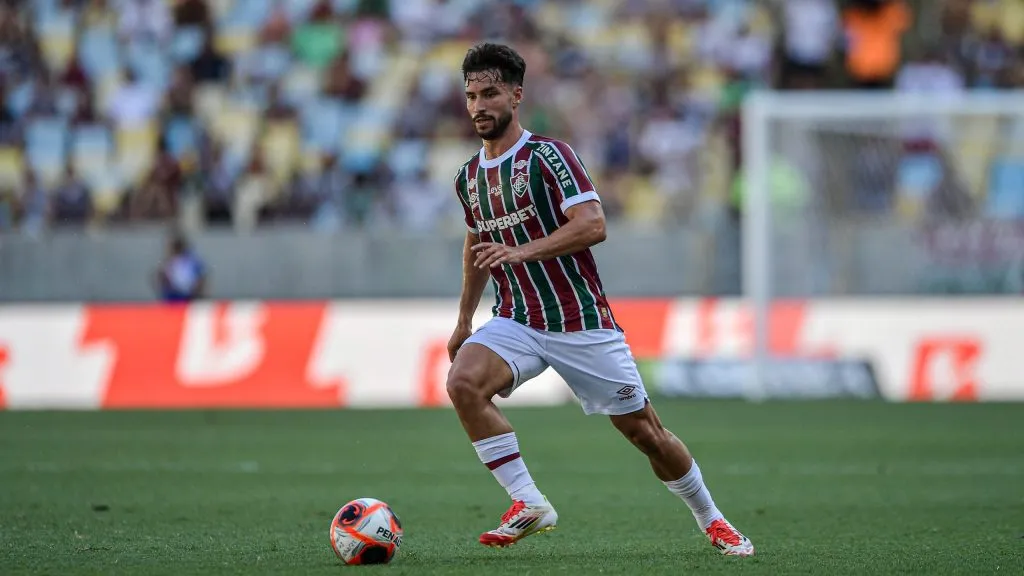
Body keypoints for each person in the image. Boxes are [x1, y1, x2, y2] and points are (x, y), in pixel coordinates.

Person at [445, 42, 755, 556]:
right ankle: (528, 501)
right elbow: (478, 244)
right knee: (463, 384)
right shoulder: (468, 177)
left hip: (580, 321)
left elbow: (593, 225)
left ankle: (713, 519)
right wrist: (463, 320)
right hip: (517, 319)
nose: (479, 105)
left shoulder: (549, 156)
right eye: (472, 95)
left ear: (516, 95)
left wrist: (522, 252)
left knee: (647, 435)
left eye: (491, 93)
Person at [154, 231, 207, 303]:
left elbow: (200, 277)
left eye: (177, 246)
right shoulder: (169, 261)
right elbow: (161, 276)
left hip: (188, 295)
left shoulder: (192, 260)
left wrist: (198, 292)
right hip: (172, 295)